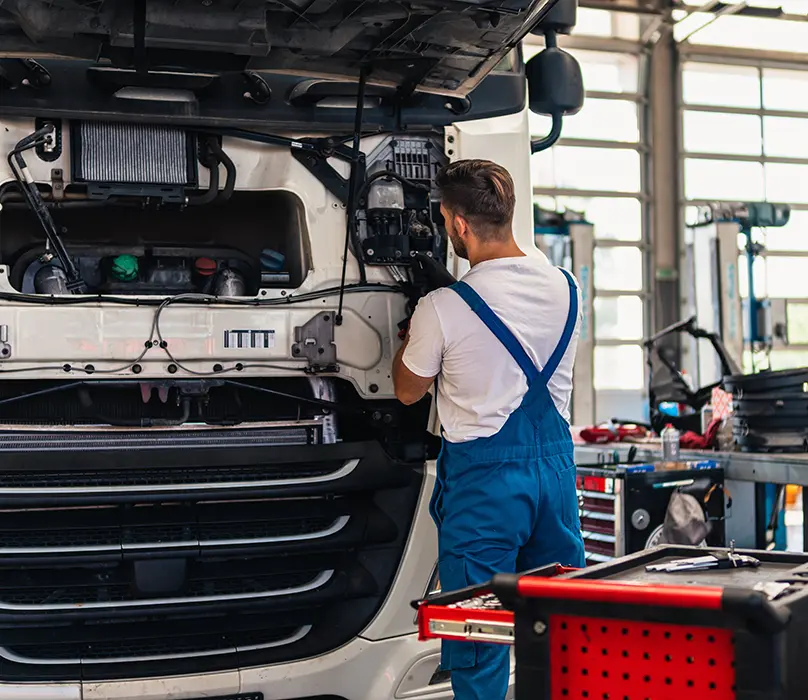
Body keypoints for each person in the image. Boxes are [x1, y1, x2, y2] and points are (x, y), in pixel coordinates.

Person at [392, 159, 586, 700]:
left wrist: (410, 339)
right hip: (555, 478)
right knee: (558, 631)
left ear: (456, 225)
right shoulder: (567, 287)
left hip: (484, 491)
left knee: (480, 641)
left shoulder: (441, 308)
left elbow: (407, 390)